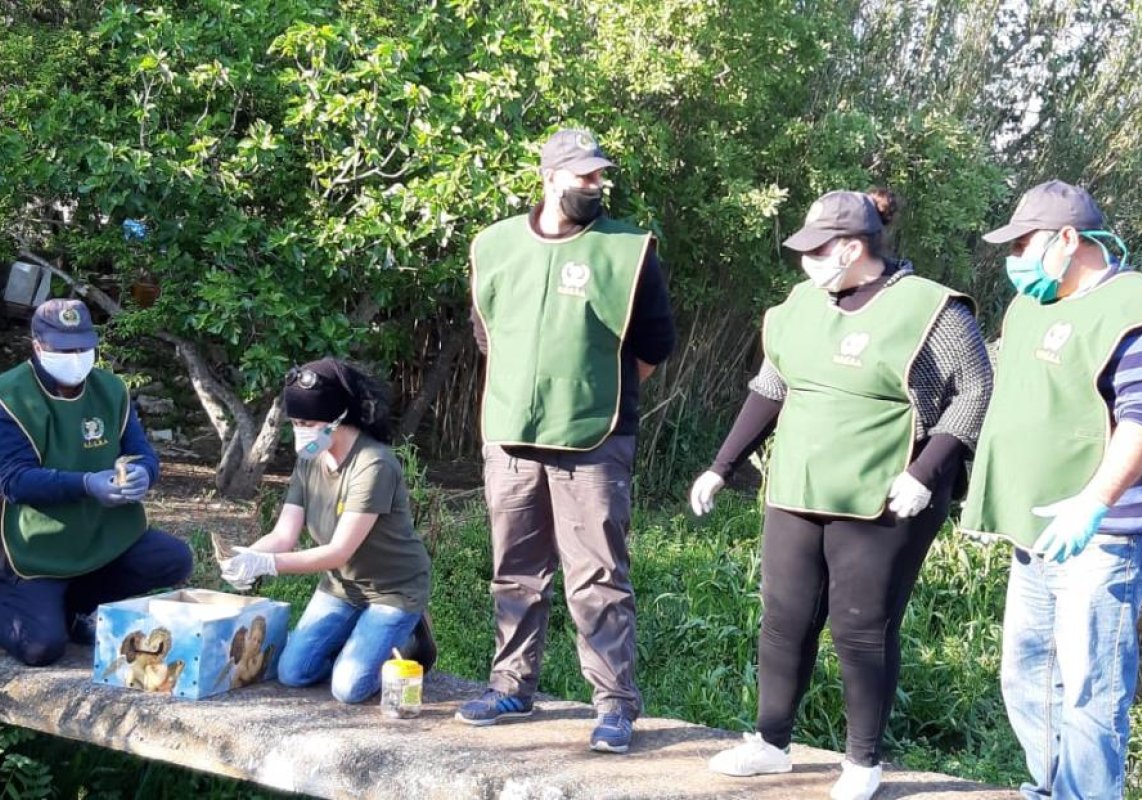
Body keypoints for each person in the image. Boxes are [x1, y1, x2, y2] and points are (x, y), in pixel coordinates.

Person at [692, 190, 993, 800]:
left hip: (888, 496)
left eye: (816, 251)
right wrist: (720, 466)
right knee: (784, 619)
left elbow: (976, 391)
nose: (805, 262)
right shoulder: (803, 304)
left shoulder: (931, 309)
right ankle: (771, 744)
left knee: (861, 627)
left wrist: (925, 472)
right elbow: (771, 386)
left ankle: (862, 762)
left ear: (853, 249)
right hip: (799, 486)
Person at [457, 127, 675, 753]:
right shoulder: (495, 244)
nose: (595, 185)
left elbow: (655, 344)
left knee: (598, 575)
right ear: (549, 176)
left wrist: (591, 387)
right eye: (583, 176)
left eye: (599, 176)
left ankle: (613, 705)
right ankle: (510, 687)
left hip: (595, 438)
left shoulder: (627, 249)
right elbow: (485, 331)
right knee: (515, 570)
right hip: (509, 435)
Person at [959, 180, 1142, 799]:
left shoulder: (1136, 309)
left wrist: (1093, 502)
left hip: (1105, 534)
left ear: (1069, 239)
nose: (1015, 257)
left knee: (1089, 686)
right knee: (1026, 677)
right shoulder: (1031, 306)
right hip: (1036, 530)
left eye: (1025, 243)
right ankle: (1052, 788)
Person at [218, 358, 435, 704]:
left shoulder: (374, 465)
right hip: (341, 587)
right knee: (294, 672)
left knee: (348, 689)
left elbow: (338, 552)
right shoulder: (309, 458)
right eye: (296, 423)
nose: (301, 431)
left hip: (393, 590)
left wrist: (269, 564)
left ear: (338, 419)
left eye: (308, 423)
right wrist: (248, 556)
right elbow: (284, 535)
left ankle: (411, 635)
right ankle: (358, 643)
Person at [0, 298, 192, 666]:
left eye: (84, 347)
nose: (77, 357)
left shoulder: (111, 388)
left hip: (103, 533)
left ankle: (77, 606)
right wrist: (87, 484)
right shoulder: (9, 396)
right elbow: (14, 481)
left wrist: (143, 473)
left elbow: (140, 451)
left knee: (173, 559)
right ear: (37, 346)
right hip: (35, 548)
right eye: (65, 349)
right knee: (42, 648)